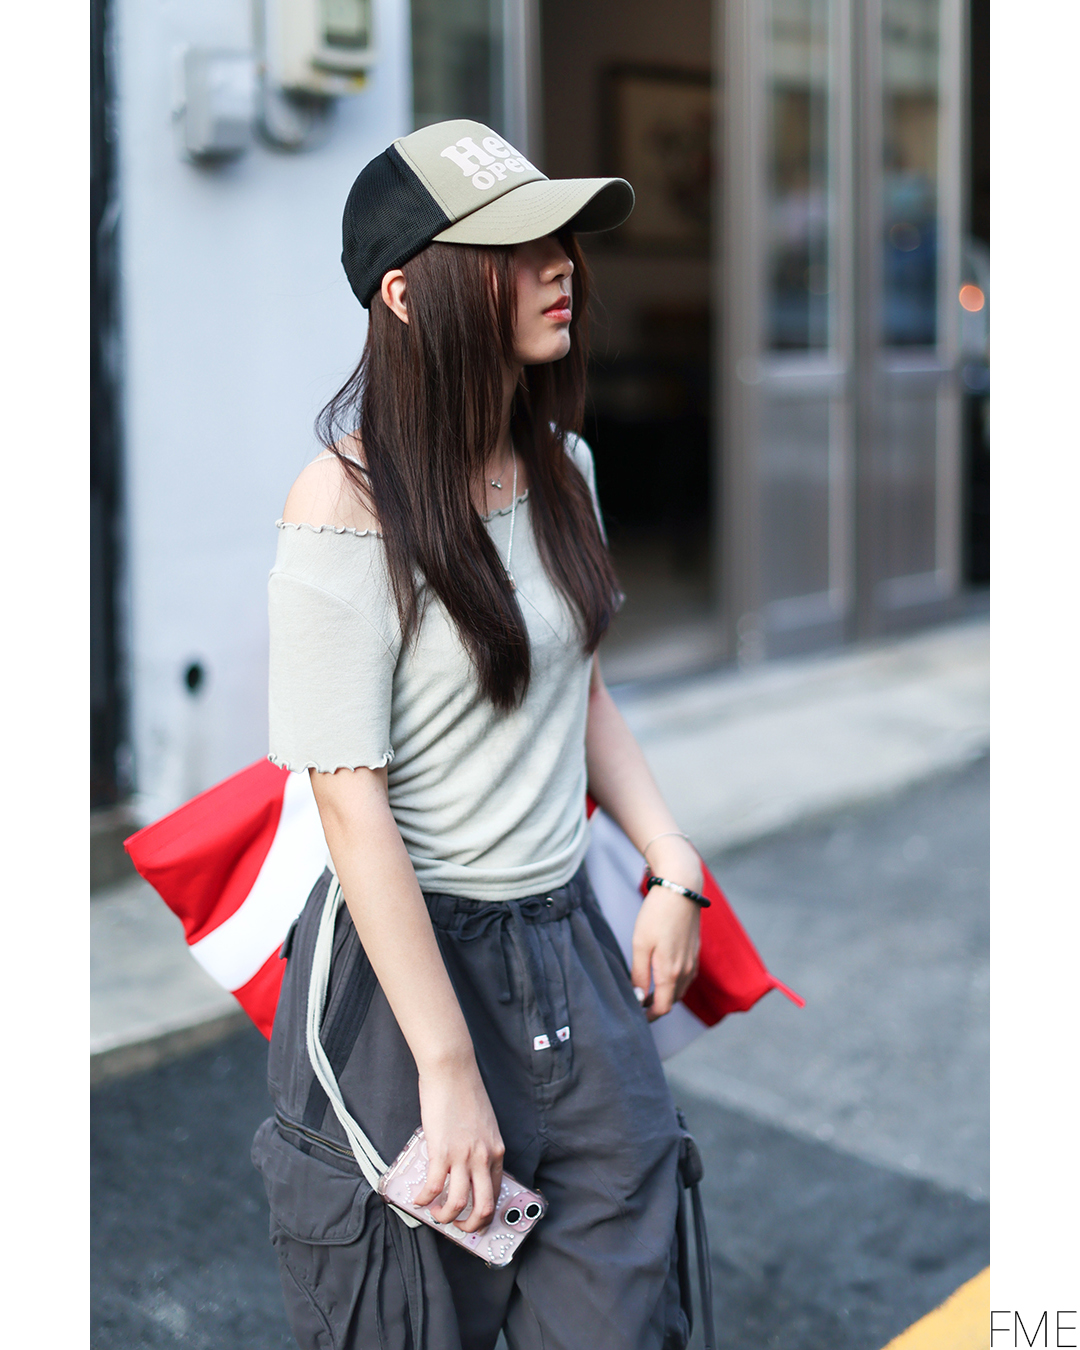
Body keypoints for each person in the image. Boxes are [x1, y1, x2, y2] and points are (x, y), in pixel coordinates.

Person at [252, 119, 709, 1350]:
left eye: (559, 237)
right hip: (407, 978)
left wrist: (672, 862)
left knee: (622, 1315)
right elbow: (348, 800)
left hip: (569, 951)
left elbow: (583, 697)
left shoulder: (566, 466)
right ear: (406, 295)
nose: (560, 264)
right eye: (512, 246)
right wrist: (447, 1071)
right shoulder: (343, 503)